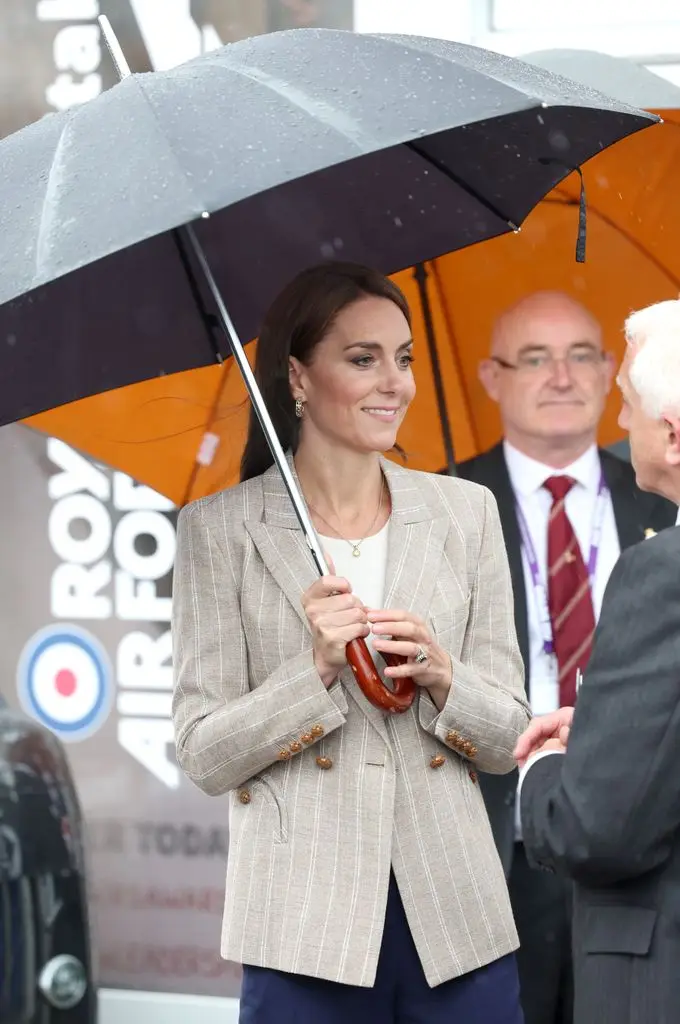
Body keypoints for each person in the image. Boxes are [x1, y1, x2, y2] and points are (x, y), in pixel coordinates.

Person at [171, 261, 530, 1023]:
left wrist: (440, 673)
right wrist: (313, 672)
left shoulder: (467, 513)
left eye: (403, 357)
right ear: (297, 377)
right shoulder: (218, 531)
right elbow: (203, 754)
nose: (394, 382)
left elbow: (506, 739)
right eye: (363, 359)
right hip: (304, 927)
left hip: (455, 920)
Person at [456, 291, 676, 1024]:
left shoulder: (657, 512)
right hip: (495, 850)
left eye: (582, 355)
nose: (562, 377)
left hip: (639, 862)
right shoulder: (444, 506)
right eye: (535, 358)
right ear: (491, 377)